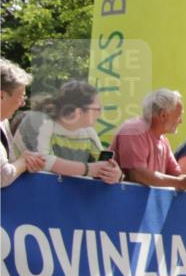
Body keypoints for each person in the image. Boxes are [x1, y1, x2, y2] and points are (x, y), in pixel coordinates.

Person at [14, 80, 122, 184]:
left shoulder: (89, 133)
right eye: (97, 109)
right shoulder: (38, 119)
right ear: (78, 111)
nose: (100, 114)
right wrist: (89, 169)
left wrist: (116, 175)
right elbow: (44, 162)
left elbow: (103, 167)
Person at [110, 89, 186, 192]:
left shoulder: (163, 140)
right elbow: (138, 175)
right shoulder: (134, 130)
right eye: (179, 116)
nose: (181, 121)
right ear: (163, 115)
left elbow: (176, 175)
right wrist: (181, 182)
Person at [1, 59, 45, 187]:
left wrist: (28, 162)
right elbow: (3, 176)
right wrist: (23, 162)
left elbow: (10, 164)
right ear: (1, 96)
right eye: (21, 97)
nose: (23, 104)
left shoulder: (3, 121)